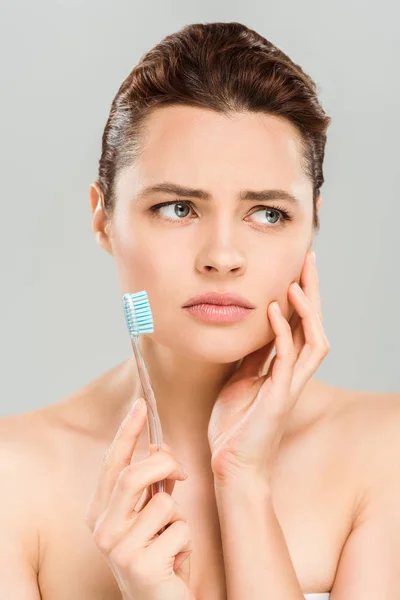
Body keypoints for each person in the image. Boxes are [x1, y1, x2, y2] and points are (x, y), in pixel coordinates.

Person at [1, 21, 399, 600]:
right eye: (177, 208)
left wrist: (243, 484)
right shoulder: (13, 477)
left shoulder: (385, 452)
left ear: (313, 220)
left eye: (267, 213)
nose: (222, 257)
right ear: (102, 218)